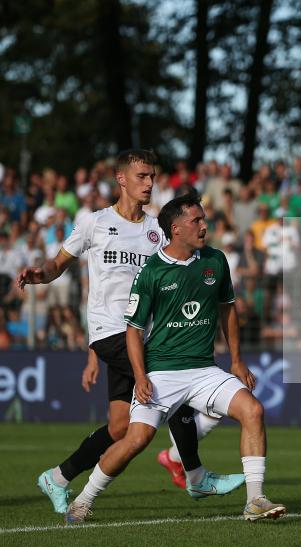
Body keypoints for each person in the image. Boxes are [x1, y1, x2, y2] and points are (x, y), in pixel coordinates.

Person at [18, 150, 240, 515]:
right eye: (141, 176)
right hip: (109, 332)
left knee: (121, 426)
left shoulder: (157, 229)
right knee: (175, 376)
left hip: (141, 336)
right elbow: (58, 263)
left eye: (152, 176)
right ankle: (195, 474)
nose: (149, 183)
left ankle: (58, 477)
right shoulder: (94, 223)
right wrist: (40, 275)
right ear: (121, 179)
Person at [64, 192, 285, 524]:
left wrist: (237, 360)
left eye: (203, 219)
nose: (204, 226)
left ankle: (255, 500)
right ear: (176, 229)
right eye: (196, 220)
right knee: (137, 438)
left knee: (253, 410)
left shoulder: (215, 261)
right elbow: (133, 330)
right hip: (162, 372)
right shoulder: (152, 272)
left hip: (204, 370)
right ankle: (82, 501)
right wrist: (140, 376)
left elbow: (228, 311)